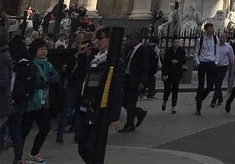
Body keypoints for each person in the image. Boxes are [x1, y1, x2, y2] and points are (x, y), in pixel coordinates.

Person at [71, 28, 124, 164]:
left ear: (109, 40)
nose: (97, 41)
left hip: (99, 109)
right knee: (82, 145)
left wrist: (114, 117)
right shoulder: (95, 57)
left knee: (92, 147)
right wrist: (82, 56)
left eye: (100, 38)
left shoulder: (115, 61)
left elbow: (117, 89)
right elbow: (81, 76)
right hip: (85, 106)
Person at [21, 37, 60, 163]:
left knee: (45, 128)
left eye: (45, 49)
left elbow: (56, 77)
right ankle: (18, 156)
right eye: (41, 49)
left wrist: (45, 80)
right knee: (24, 131)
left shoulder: (47, 64)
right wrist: (44, 81)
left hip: (43, 103)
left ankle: (34, 153)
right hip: (31, 103)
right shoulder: (31, 64)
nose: (44, 51)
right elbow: (34, 83)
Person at [0, 22, 27, 164]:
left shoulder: (4, 57)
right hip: (13, 101)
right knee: (14, 132)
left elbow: (4, 82)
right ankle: (18, 158)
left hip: (7, 102)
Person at [121, 32, 149, 132]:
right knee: (124, 101)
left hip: (135, 81)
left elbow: (145, 67)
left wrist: (142, 82)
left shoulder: (143, 50)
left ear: (137, 40)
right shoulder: (130, 50)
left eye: (131, 39)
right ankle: (139, 112)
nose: (129, 41)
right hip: (128, 78)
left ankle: (130, 124)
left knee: (131, 103)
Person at [193, 22, 219, 115]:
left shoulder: (216, 39)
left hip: (211, 63)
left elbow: (217, 51)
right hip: (203, 63)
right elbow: (196, 52)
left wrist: (216, 62)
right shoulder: (200, 40)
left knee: (210, 86)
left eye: (212, 28)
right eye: (210, 28)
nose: (212, 30)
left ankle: (200, 97)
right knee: (201, 85)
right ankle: (198, 107)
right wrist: (198, 63)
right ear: (206, 30)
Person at [161, 38, 186, 113]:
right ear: (172, 43)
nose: (177, 44)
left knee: (175, 90)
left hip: (177, 73)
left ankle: (173, 106)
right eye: (175, 42)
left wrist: (177, 62)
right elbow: (164, 64)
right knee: (167, 89)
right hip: (169, 73)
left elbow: (183, 61)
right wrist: (163, 74)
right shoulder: (168, 51)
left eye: (178, 42)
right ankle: (165, 101)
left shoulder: (181, 51)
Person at [212, 34, 235, 107]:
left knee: (218, 83)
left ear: (226, 39)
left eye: (223, 38)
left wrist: (233, 67)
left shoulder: (228, 47)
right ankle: (220, 98)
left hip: (223, 67)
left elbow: (232, 58)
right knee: (217, 83)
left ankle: (214, 100)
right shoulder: (215, 46)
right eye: (220, 37)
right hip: (215, 66)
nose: (221, 39)